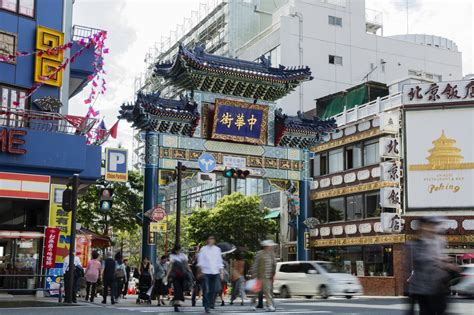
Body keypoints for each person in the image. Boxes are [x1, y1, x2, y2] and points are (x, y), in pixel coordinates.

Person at [406, 216, 458, 315]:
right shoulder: (415, 243)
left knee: (441, 310)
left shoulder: (438, 240)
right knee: (427, 311)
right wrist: (442, 263)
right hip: (423, 289)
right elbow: (422, 260)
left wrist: (445, 261)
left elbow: (438, 256)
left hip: (437, 287)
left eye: (434, 226)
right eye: (431, 226)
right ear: (423, 227)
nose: (433, 228)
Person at [197, 235, 223, 313]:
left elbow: (219, 261)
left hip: (215, 272)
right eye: (209, 239)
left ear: (214, 240)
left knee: (215, 289)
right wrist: (200, 271)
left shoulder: (217, 249)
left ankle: (211, 302)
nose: (211, 240)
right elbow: (200, 260)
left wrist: (221, 272)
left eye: (212, 239)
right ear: (207, 240)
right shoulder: (203, 249)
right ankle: (206, 306)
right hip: (206, 272)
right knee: (206, 290)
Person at [251, 240, 277, 312]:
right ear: (266, 246)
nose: (271, 247)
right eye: (270, 246)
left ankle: (269, 305)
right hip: (260, 275)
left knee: (267, 291)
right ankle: (253, 303)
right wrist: (254, 274)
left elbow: (274, 264)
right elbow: (255, 264)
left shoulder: (272, 254)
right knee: (256, 291)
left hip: (268, 276)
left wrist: (273, 274)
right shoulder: (260, 254)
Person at [167, 245, 190, 312]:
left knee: (182, 290)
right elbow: (170, 266)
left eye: (179, 250)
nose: (179, 251)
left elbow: (186, 264)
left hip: (183, 276)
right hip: (175, 276)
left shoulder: (183, 255)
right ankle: (176, 305)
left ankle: (175, 301)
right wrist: (167, 275)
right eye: (178, 250)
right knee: (177, 290)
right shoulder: (172, 256)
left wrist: (189, 272)